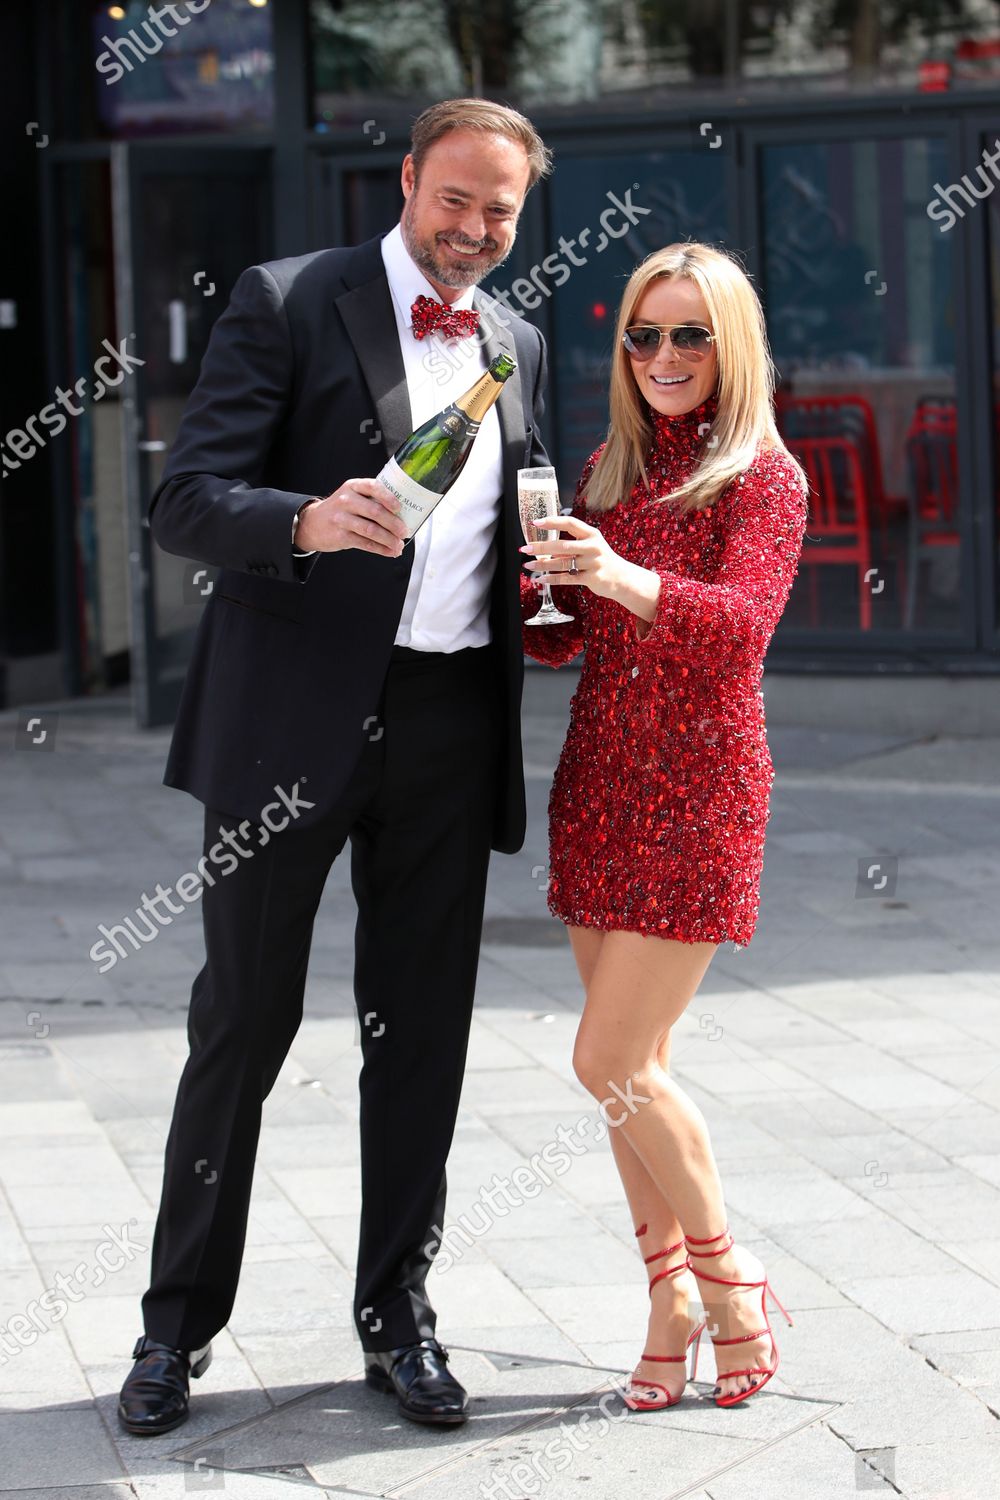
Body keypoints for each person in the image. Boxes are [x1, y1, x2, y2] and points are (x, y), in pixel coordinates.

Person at [117, 97, 553, 1436]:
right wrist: (305, 518)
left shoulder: (519, 340)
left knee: (419, 1038)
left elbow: (523, 515)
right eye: (458, 199)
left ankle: (399, 1320)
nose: (477, 230)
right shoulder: (290, 298)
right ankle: (175, 1330)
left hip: (446, 727)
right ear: (410, 178)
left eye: (502, 213)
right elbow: (186, 497)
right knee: (240, 1028)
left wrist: (560, 569)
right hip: (288, 726)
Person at [519, 242, 807, 1410]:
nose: (665, 357)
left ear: (729, 344)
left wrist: (622, 573)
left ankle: (732, 1284)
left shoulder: (763, 477)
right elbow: (565, 641)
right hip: (598, 782)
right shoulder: (610, 463)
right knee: (631, 1075)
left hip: (701, 792)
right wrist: (538, 585)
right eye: (644, 335)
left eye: (690, 335)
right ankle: (665, 1297)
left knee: (608, 1057)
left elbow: (740, 630)